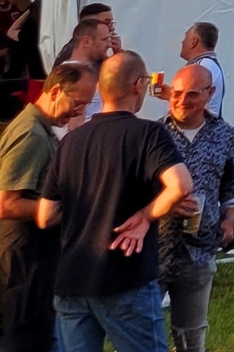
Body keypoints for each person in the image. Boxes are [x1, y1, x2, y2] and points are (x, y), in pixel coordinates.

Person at [36, 52, 194, 352]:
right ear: (137, 85)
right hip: (124, 276)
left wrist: (88, 209)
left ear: (100, 89)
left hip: (72, 279)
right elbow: (181, 185)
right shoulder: (148, 133)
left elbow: (46, 215)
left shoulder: (70, 141)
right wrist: (146, 215)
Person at [0, 61, 94, 352]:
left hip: (35, 260)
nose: (78, 112)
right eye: (77, 103)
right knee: (22, 339)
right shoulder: (30, 134)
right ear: (54, 92)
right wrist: (58, 210)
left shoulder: (41, 129)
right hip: (21, 262)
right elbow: (6, 204)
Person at [157, 61, 234, 352]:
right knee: (141, 334)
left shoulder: (225, 134)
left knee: (191, 338)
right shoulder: (154, 134)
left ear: (210, 93)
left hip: (199, 250)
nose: (182, 101)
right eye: (176, 93)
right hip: (155, 249)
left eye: (192, 94)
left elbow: (233, 180)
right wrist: (165, 204)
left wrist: (229, 217)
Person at [0, 0, 41, 127]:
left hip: (32, 80)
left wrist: (29, 10)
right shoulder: (33, 17)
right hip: (29, 79)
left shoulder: (30, 25)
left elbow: (11, 32)